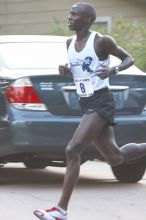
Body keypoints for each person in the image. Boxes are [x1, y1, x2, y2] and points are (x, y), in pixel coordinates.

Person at [33, 2, 146, 220]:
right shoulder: (69, 42)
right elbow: (80, 74)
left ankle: (60, 211)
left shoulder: (101, 41)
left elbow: (128, 58)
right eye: (69, 13)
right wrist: (65, 72)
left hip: (101, 101)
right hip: (86, 101)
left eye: (74, 14)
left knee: (72, 150)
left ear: (87, 20)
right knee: (115, 157)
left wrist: (114, 69)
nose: (69, 17)